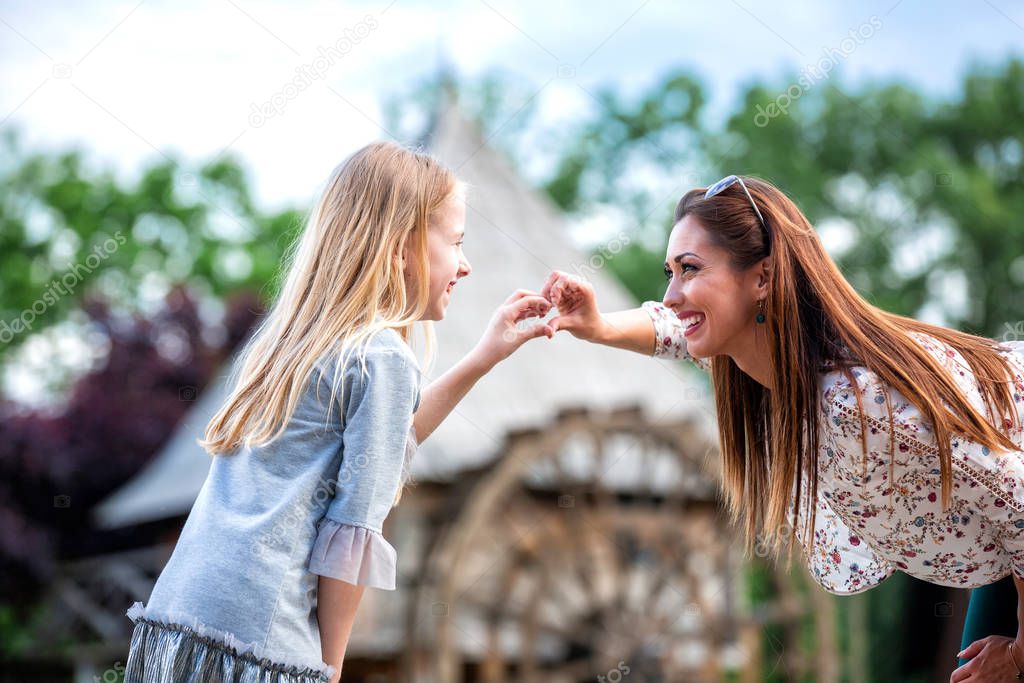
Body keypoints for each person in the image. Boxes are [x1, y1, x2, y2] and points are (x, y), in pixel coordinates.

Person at [540, 174, 1024, 682]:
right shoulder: (762, 364)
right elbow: (672, 330)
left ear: (763, 278)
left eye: (689, 269)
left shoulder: (856, 404)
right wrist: (595, 325)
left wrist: (1016, 656)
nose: (673, 294)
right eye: (669, 272)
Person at [123, 141, 554, 682]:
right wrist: (329, 667)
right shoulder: (384, 359)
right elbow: (353, 528)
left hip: (181, 617)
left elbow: (386, 443)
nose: (465, 265)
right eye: (457, 242)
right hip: (260, 631)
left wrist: (483, 356)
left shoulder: (291, 342)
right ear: (401, 247)